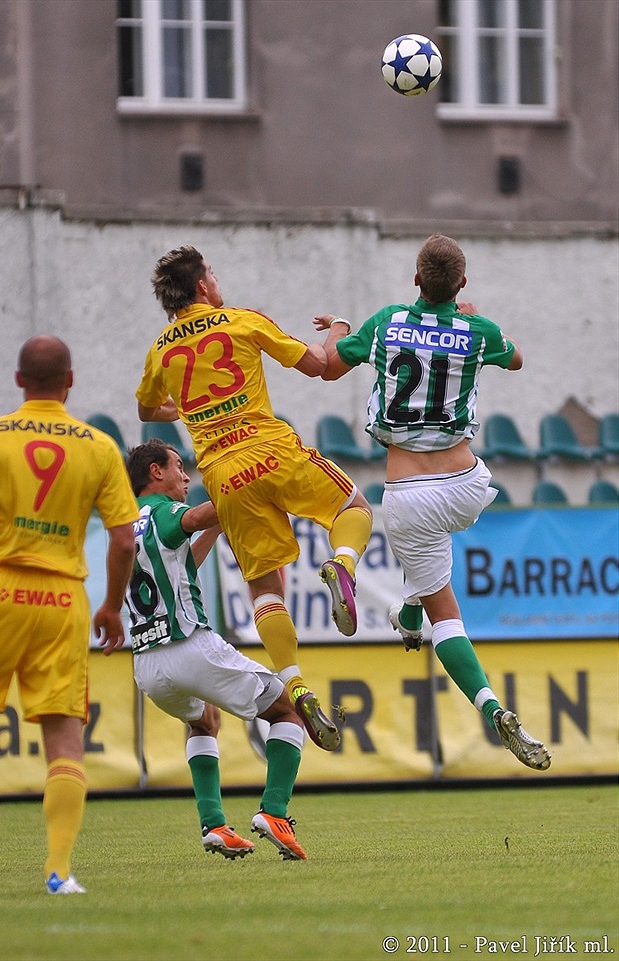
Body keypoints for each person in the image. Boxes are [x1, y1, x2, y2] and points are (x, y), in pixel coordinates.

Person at [315, 234, 551, 772]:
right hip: (468, 484)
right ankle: (408, 611)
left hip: (410, 494)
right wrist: (475, 317)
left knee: (449, 618)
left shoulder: (386, 322)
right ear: (461, 284)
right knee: (430, 570)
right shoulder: (475, 330)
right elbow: (515, 358)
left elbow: (329, 365)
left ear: (415, 280)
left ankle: (490, 706)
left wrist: (339, 328)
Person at [0, 336, 139, 893]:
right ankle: (59, 871)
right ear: (71, 381)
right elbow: (122, 543)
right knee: (64, 744)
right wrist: (112, 606)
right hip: (64, 600)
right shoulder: (100, 447)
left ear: (19, 381)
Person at [135, 245, 373, 753]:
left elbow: (145, 406)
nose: (217, 280)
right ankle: (343, 567)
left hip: (222, 475)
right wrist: (339, 327)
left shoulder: (159, 350)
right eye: (213, 273)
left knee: (266, 587)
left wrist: (178, 409)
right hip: (269, 447)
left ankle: (296, 682)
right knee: (354, 510)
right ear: (203, 286)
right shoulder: (242, 321)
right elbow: (320, 366)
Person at [125, 438, 308, 859]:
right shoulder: (167, 511)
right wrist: (247, 479)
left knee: (205, 722)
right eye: (177, 466)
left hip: (147, 664)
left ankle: (214, 825)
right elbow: (211, 509)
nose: (186, 475)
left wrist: (217, 525)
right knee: (288, 712)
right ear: (156, 473)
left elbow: (181, 554)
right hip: (190, 645)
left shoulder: (126, 522)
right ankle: (274, 811)